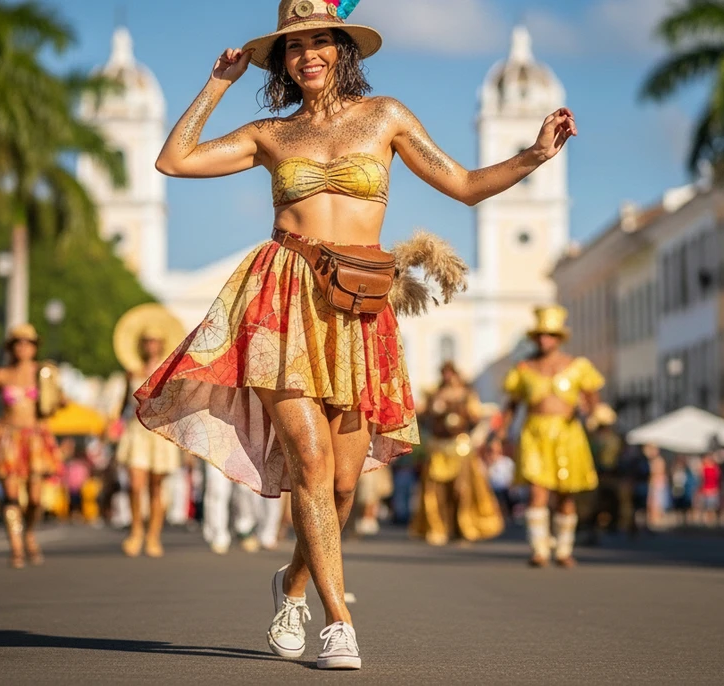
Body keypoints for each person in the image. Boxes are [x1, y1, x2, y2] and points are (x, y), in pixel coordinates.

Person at [134, 0, 575, 669]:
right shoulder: (269, 135)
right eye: (292, 45)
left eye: (319, 41)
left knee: (341, 485)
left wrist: (535, 155)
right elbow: (174, 161)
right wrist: (218, 84)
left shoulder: (386, 117)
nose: (307, 53)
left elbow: (462, 183)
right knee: (309, 464)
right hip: (282, 301)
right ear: (281, 61)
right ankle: (339, 623)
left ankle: (291, 585)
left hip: (359, 307)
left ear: (343, 50)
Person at [497, 306, 603, 568]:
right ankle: (540, 549)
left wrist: (590, 413)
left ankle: (564, 549)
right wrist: (501, 432)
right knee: (536, 491)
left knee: (566, 494)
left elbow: (592, 399)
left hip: (567, 434)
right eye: (541, 335)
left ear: (558, 338)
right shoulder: (523, 368)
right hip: (534, 432)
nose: (545, 340)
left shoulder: (578, 366)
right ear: (535, 338)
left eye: (550, 335)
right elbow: (512, 404)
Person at [0, 323, 63, 568]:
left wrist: (55, 396)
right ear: (11, 347)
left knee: (35, 498)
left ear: (35, 347)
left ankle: (30, 532)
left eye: (28, 343)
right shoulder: (1, 375)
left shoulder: (43, 373)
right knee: (11, 496)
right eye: (18, 343)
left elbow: (58, 402)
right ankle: (16, 546)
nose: (23, 347)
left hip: (35, 438)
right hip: (10, 439)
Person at [113, 308, 185, 559]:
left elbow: (176, 404)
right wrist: (111, 427)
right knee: (135, 484)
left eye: (154, 341)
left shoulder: (169, 374)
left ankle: (153, 535)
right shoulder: (131, 372)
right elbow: (123, 404)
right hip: (136, 433)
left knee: (156, 487)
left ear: (161, 344)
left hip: (158, 433)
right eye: (146, 341)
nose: (151, 345)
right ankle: (135, 531)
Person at [409, 363, 503, 546]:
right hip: (438, 448)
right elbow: (418, 416)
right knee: (436, 492)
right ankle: (439, 529)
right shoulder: (433, 395)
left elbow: (479, 417)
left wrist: (477, 438)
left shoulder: (467, 396)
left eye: (451, 373)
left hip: (460, 449)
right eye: (445, 373)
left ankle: (464, 529)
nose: (448, 377)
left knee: (462, 490)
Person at [581, 404, 622, 543]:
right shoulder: (608, 439)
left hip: (606, 474)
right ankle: (594, 530)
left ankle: (602, 527)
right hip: (602, 474)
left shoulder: (605, 439)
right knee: (596, 504)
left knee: (603, 503)